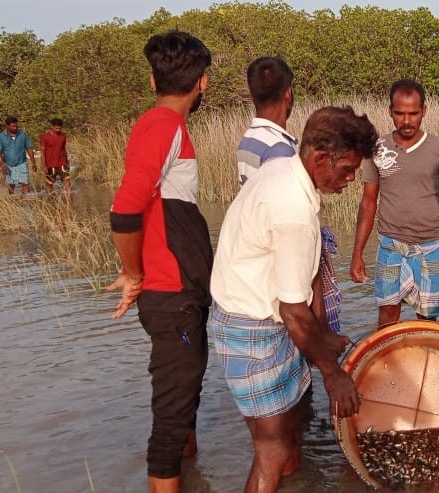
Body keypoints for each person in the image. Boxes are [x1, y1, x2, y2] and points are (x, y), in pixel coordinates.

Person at [210, 106, 375, 492]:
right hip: (253, 330)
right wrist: (332, 374)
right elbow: (292, 310)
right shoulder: (293, 208)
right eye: (347, 169)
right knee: (274, 450)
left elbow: (302, 287)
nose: (350, 180)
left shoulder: (284, 168)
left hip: (257, 321)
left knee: (284, 441)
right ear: (320, 158)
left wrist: (322, 338)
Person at [106, 31, 212, 493]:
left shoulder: (157, 125)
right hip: (171, 295)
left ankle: (195, 476)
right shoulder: (164, 126)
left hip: (177, 292)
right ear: (202, 83)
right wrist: (134, 273)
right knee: (170, 423)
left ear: (153, 78)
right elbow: (124, 208)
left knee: (183, 400)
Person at [350, 78, 439, 328]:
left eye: (413, 113)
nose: (406, 121)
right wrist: (357, 253)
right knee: (388, 317)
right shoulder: (377, 149)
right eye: (400, 113)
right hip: (391, 246)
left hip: (432, 247)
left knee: (431, 322)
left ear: (424, 110)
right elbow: (368, 202)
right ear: (390, 111)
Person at [236, 56, 342, 333]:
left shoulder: (248, 141)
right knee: (311, 332)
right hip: (286, 259)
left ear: (251, 93)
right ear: (289, 94)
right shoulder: (280, 150)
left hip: (264, 260)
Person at [0, 116, 37, 194]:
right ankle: (12, 204)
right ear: (7, 126)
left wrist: (33, 163)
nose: (15, 128)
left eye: (16, 126)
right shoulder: (1, 137)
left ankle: (27, 204)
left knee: (25, 185)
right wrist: (3, 165)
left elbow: (29, 149)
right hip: (8, 165)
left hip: (22, 163)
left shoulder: (23, 135)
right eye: (13, 126)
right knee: (11, 186)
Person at [40, 118, 72, 193]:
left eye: (60, 128)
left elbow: (64, 149)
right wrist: (44, 165)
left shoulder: (63, 136)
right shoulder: (45, 137)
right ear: (52, 126)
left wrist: (67, 162)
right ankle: (50, 202)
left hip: (62, 162)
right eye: (56, 128)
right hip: (50, 164)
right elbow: (42, 151)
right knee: (49, 185)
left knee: (68, 183)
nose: (58, 130)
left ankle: (69, 203)